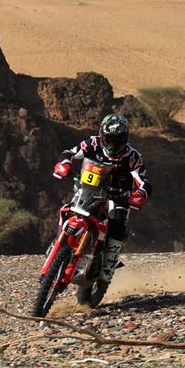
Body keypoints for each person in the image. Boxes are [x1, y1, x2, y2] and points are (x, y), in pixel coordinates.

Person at [52, 112, 150, 280]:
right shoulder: (92, 143)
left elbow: (144, 181)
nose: (112, 143)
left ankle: (109, 265)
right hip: (89, 189)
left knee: (117, 221)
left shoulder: (133, 156)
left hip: (118, 196)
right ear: (102, 135)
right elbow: (70, 153)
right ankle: (58, 243)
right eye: (109, 138)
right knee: (67, 209)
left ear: (125, 138)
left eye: (117, 139)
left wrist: (139, 195)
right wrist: (64, 164)